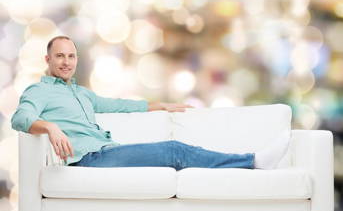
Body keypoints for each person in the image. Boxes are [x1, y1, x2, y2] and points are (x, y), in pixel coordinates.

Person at [11, 36, 289, 170]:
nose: (66, 62)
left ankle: (249, 161)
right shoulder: (39, 91)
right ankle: (253, 162)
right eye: (60, 56)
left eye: (71, 56)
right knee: (173, 151)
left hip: (105, 151)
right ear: (48, 60)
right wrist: (49, 127)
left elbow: (119, 105)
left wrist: (162, 106)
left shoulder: (81, 93)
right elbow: (20, 119)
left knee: (174, 151)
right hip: (87, 160)